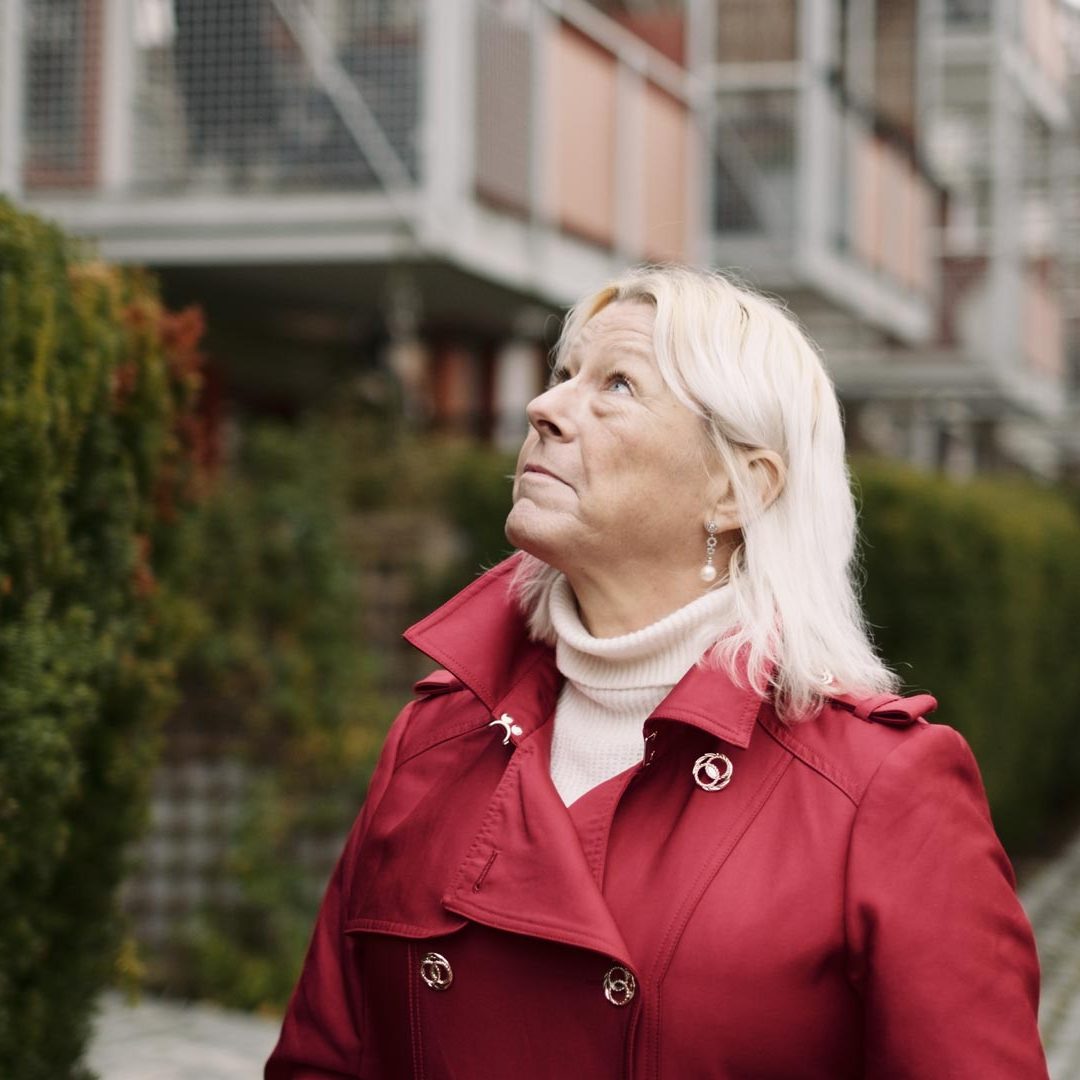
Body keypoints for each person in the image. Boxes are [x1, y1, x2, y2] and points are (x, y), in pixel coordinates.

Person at [266, 266, 1048, 1078]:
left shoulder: (880, 791)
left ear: (737, 491)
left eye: (618, 385)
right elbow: (322, 1061)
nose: (544, 407)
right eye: (566, 373)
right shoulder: (433, 738)